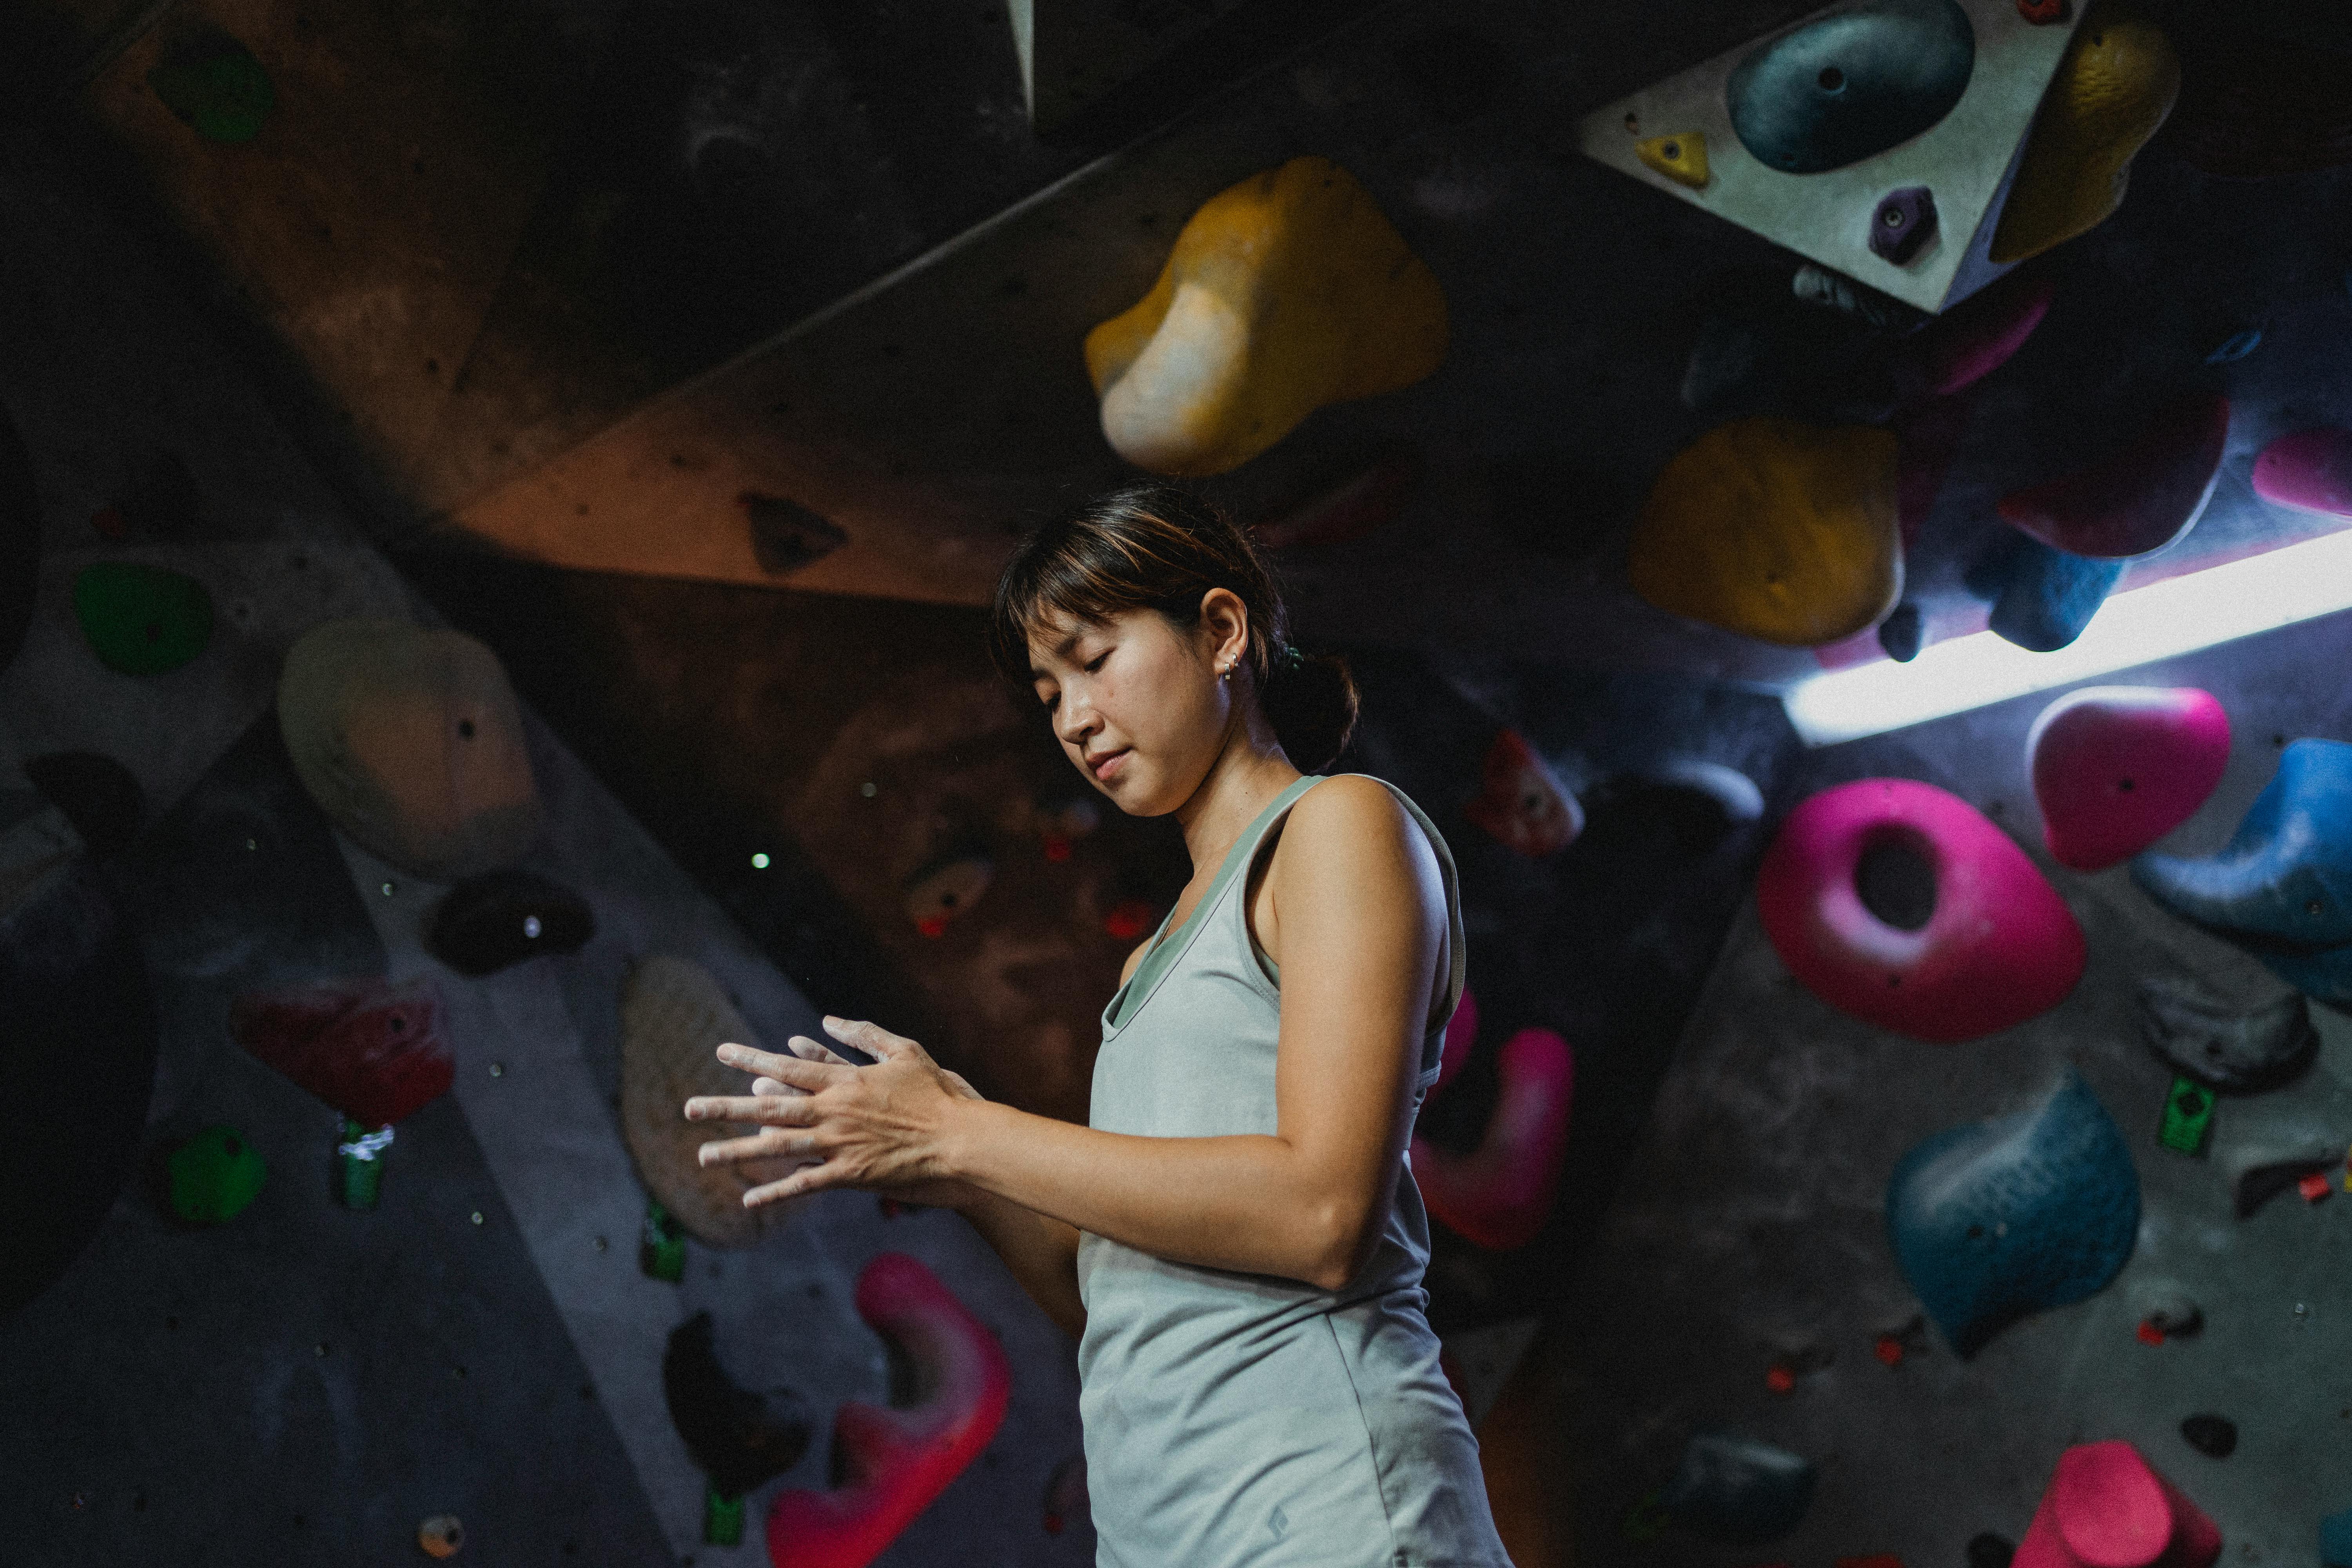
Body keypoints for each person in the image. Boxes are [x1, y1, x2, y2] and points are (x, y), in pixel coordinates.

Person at [684, 481, 1514, 1567]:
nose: (1072, 716)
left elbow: (1321, 1217)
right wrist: (962, 1169)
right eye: (1047, 690)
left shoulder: (1334, 826)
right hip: (1171, 1536)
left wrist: (963, 1133)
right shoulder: (1151, 961)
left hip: (1333, 1509)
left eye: (1093, 657)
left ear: (1221, 632)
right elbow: (1124, 1303)